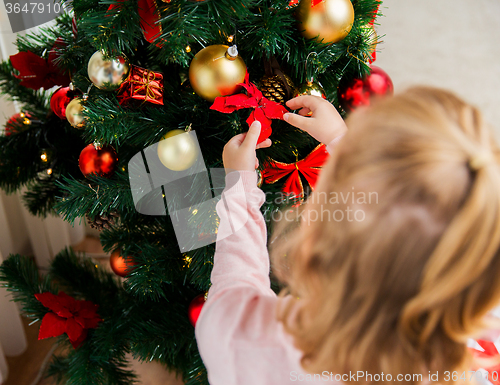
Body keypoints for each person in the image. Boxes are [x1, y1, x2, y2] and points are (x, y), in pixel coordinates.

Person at [195, 87, 500, 385]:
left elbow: (233, 288)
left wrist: (240, 189)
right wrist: (342, 142)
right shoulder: (481, 336)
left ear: (316, 242)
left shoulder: (255, 341)